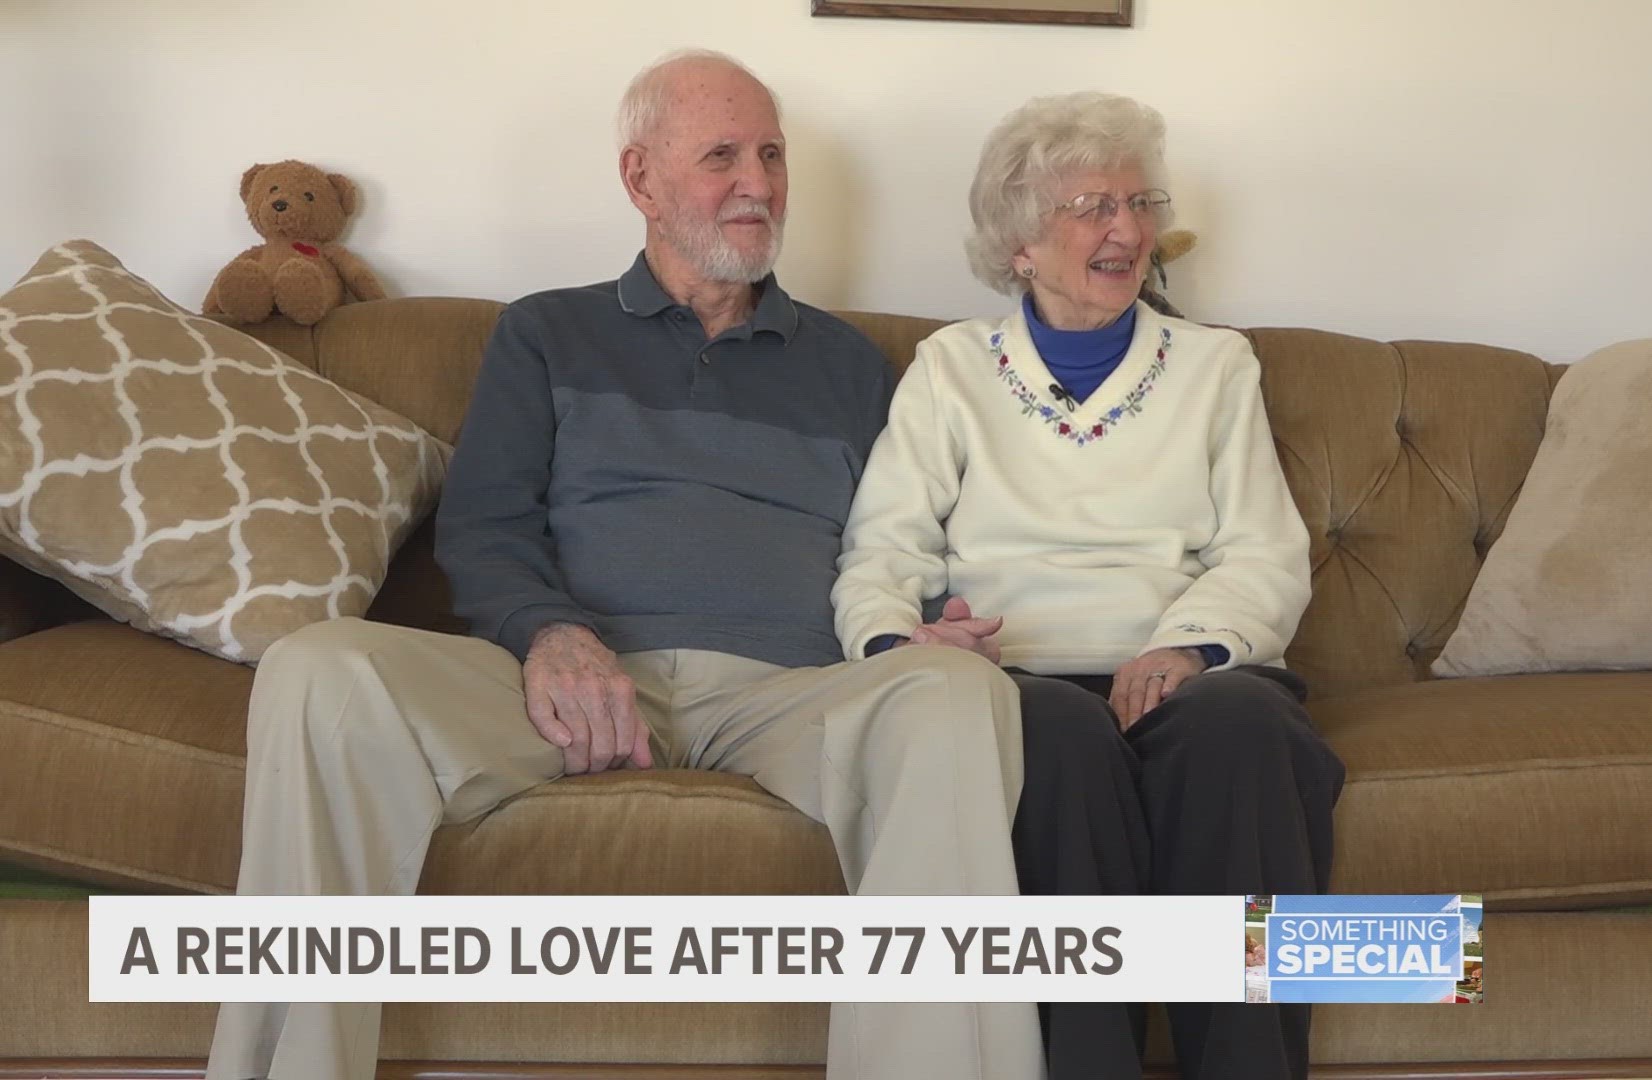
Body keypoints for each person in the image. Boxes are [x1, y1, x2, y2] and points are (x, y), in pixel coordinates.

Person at [204, 50, 1046, 1080]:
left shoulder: (852, 368)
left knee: (959, 695)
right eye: (723, 155)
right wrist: (552, 636)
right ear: (640, 180)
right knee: (317, 669)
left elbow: (897, 540)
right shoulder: (547, 333)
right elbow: (487, 526)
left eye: (773, 156)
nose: (760, 182)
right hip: (559, 690)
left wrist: (917, 625)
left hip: (792, 693)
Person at [832, 92, 1346, 1080]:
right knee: (1051, 742)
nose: (1126, 230)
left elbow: (1263, 551)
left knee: (1246, 732)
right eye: (1091, 207)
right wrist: (905, 648)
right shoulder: (950, 368)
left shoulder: (1215, 365)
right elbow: (881, 552)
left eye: (1139, 202)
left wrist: (1187, 647)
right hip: (1016, 675)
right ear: (1019, 243)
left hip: (1187, 668)